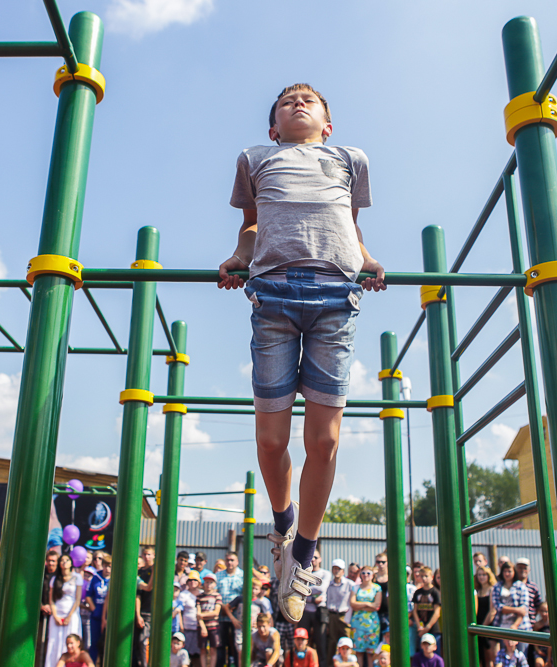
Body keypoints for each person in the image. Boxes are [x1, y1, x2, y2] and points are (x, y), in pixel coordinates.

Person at [218, 83, 385, 624]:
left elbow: (350, 226)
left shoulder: (347, 158)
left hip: (336, 297)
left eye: (310, 101)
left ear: (327, 125)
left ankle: (305, 555)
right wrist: (239, 257)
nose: (298, 102)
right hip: (273, 295)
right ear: (274, 127)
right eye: (287, 102)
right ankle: (284, 520)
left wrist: (368, 260)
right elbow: (250, 225)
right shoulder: (255, 158)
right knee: (270, 441)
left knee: (325, 438)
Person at [45, 554, 84, 667]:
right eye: (62, 560)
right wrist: (55, 616)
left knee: (70, 642)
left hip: (72, 615)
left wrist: (69, 616)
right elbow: (51, 600)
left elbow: (77, 599)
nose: (64, 562)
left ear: (71, 563)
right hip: (57, 615)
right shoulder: (54, 579)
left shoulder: (77, 577)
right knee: (54, 642)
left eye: (67, 560)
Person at [298, 551, 330, 667]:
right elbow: (299, 589)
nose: (313, 560)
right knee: (301, 641)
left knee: (321, 643)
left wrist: (306, 590)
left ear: (320, 559)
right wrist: (312, 599)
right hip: (305, 611)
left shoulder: (325, 574)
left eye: (315, 557)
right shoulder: (303, 573)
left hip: (319, 612)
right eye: (311, 557)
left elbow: (321, 589)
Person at [217, 551, 245, 666]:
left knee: (236, 645)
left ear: (237, 562)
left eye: (232, 560)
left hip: (237, 618)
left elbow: (245, 595)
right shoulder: (218, 575)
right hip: (221, 616)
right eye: (227, 560)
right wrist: (223, 608)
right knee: (221, 644)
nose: (229, 562)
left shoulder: (243, 575)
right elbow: (215, 593)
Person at [350, 564, 382, 667]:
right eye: (363, 573)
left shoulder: (377, 588)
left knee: (370, 652)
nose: (365, 575)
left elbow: (376, 606)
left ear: (372, 575)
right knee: (358, 651)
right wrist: (368, 604)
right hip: (357, 623)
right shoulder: (355, 587)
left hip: (372, 623)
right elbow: (353, 604)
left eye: (368, 573)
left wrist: (360, 605)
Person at [326, 559, 354, 662]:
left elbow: (351, 602)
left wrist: (348, 617)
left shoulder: (350, 584)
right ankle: (331, 663)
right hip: (332, 615)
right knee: (332, 640)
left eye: (339, 569)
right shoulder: (329, 585)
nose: (337, 571)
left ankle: (350, 663)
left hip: (345, 616)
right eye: (335, 568)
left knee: (347, 641)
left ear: (343, 571)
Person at [490, 562, 528, 633]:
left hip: (520, 627)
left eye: (509, 571)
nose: (507, 574)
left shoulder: (520, 586)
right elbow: (498, 607)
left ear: (514, 572)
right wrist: (516, 610)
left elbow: (524, 609)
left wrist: (515, 625)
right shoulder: (497, 586)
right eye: (505, 571)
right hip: (502, 626)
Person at [85, 556, 110, 662]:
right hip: (96, 615)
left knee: (106, 643)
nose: (108, 569)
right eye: (106, 566)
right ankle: (93, 663)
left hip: (109, 617)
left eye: (110, 566)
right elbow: (88, 595)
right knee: (94, 642)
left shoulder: (115, 578)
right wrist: (93, 608)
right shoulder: (96, 578)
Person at [411, 567, 441, 653]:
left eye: (426, 576)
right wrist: (419, 626)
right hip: (421, 629)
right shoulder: (417, 592)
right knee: (422, 654)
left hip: (433, 628)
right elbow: (415, 610)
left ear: (431, 577)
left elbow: (437, 612)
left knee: (435, 654)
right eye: (421, 576)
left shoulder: (435, 592)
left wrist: (427, 627)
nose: (423, 578)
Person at [197, 572, 223, 667]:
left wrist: (202, 615)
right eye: (206, 582)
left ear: (214, 584)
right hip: (202, 626)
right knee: (203, 649)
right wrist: (203, 626)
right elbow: (198, 614)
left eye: (210, 582)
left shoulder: (217, 596)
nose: (208, 584)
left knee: (213, 649)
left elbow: (216, 612)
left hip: (214, 626)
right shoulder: (199, 597)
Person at [136, 546, 156, 667]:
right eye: (144, 554)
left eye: (149, 554)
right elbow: (141, 593)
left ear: (154, 556)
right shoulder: (140, 572)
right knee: (141, 642)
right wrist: (138, 615)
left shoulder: (159, 570)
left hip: (154, 612)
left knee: (147, 642)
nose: (146, 557)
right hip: (144, 612)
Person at [474, 566, 496, 666]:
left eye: (484, 575)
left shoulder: (492, 590)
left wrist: (483, 627)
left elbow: (492, 611)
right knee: (481, 658)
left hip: (489, 627)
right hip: (478, 628)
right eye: (479, 575)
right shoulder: (477, 591)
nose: (481, 577)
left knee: (491, 659)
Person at [179, 572, 202, 664]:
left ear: (199, 582)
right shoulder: (183, 594)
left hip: (199, 629)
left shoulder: (202, 594)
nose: (192, 582)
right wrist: (181, 626)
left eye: (195, 580)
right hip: (187, 629)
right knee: (186, 654)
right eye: (190, 580)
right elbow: (180, 612)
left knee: (198, 655)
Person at [513, 559, 542, 625]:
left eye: (525, 568)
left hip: (529, 624)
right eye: (520, 568)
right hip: (513, 623)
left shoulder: (533, 587)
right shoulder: (511, 585)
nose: (522, 570)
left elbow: (538, 605)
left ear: (529, 570)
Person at [372, 553, 389, 644]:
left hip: (388, 612)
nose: (381, 565)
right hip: (375, 612)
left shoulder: (391, 576)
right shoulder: (373, 577)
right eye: (378, 562)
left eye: (383, 562)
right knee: (376, 639)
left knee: (388, 639)